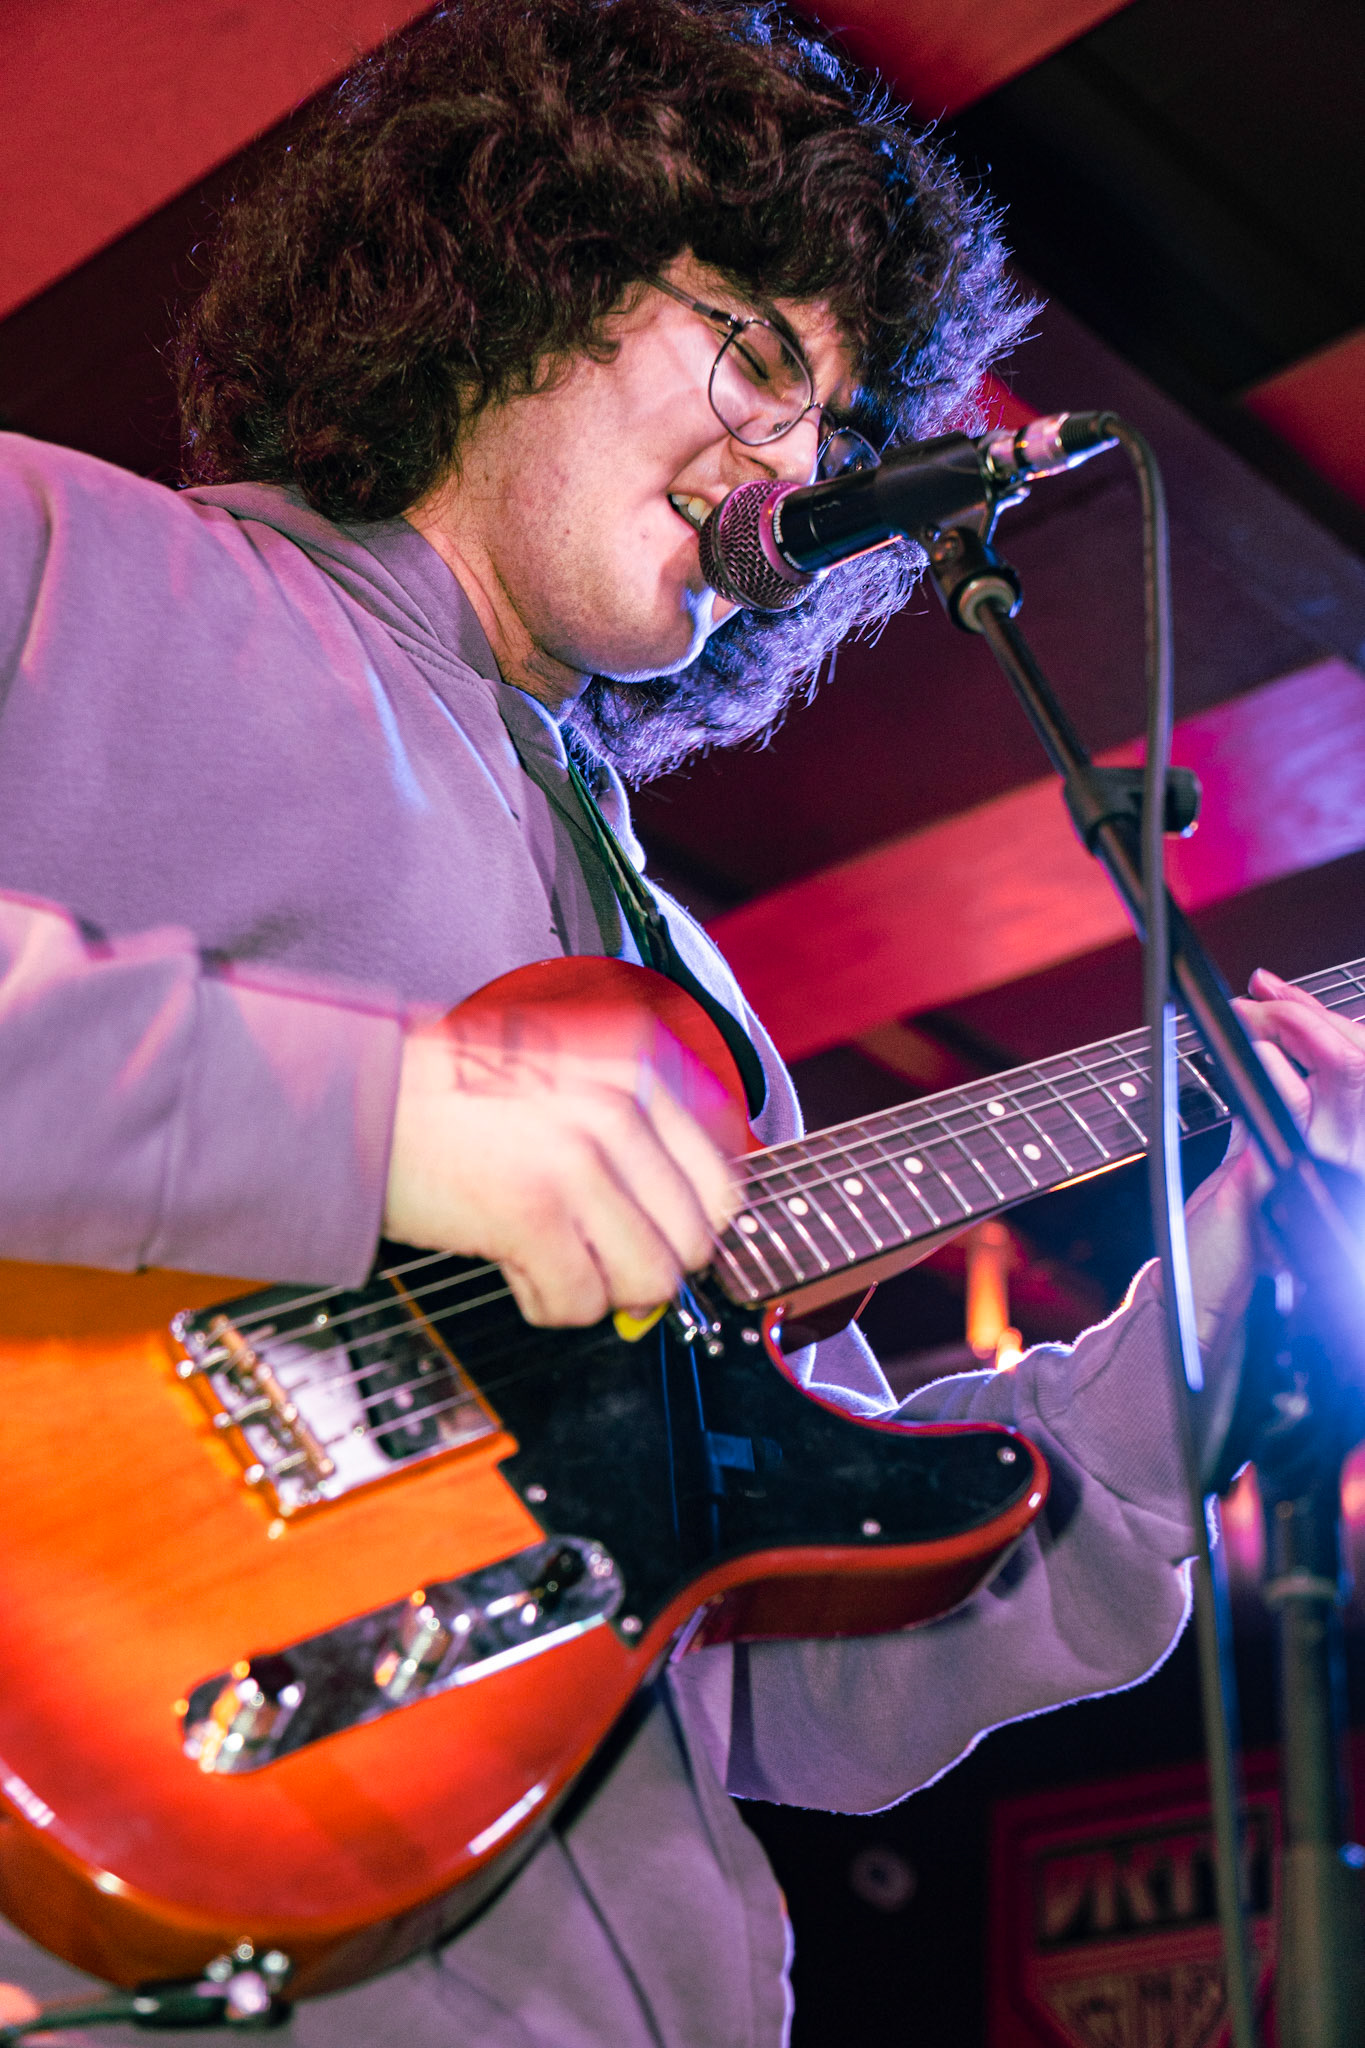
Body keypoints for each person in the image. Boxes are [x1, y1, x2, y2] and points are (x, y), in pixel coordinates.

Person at [1, 2, 1363, 2041]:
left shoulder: (689, 994)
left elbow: (797, 1691)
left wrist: (1218, 1326)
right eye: (755, 354)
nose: (797, 465)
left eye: (835, 425)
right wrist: (378, 1119)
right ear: (521, 271)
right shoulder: (60, 559)